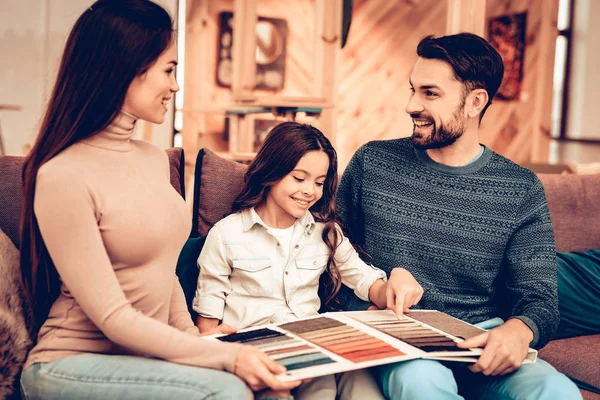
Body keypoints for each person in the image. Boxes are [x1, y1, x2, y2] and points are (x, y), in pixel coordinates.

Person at [19, 1, 303, 398]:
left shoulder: (153, 160)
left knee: (276, 391)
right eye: (168, 70)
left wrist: (197, 342)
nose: (175, 85)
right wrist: (226, 359)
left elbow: (162, 272)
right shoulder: (62, 177)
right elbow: (113, 318)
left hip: (141, 361)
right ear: (124, 70)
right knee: (228, 391)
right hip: (69, 364)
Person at [336, 33, 582, 400]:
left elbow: (540, 298)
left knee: (556, 391)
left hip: (481, 342)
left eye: (430, 93)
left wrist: (519, 330)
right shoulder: (372, 164)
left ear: (475, 102)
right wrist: (372, 300)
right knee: (420, 383)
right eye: (412, 89)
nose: (411, 105)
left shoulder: (519, 188)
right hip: (400, 339)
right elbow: (327, 257)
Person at [193, 121, 420, 400]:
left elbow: (366, 281)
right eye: (299, 178)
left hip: (314, 346)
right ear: (271, 172)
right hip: (258, 356)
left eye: (319, 182)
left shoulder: (325, 232)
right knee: (320, 390)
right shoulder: (226, 235)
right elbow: (207, 327)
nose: (310, 191)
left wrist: (397, 281)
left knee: (361, 385)